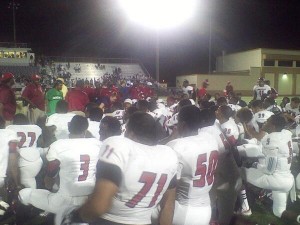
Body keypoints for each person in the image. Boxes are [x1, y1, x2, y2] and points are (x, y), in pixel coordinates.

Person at [61, 112, 178, 225]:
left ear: (131, 133)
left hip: (109, 220)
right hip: (144, 221)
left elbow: (98, 207)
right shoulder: (168, 155)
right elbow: (168, 204)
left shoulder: (118, 145)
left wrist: (76, 216)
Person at [18, 115, 102, 224]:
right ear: (86, 129)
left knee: (24, 194)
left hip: (64, 200)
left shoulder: (58, 145)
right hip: (89, 200)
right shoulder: (97, 144)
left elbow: (50, 176)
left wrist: (50, 183)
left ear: (69, 126)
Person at [243, 115, 300, 223]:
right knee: (279, 212)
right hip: (287, 179)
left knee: (242, 172)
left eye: (267, 121)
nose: (264, 123)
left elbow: (269, 169)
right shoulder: (285, 134)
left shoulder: (272, 139)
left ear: (273, 126)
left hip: (276, 180)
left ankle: (244, 208)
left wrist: (256, 165)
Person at [167, 106, 218, 225]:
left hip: (182, 210)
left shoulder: (176, 146)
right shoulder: (210, 138)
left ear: (183, 124)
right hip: (205, 207)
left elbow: (169, 187)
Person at [6, 114, 43, 188]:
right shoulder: (36, 128)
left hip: (20, 158)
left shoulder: (10, 128)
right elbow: (41, 143)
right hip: (36, 159)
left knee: (23, 183)